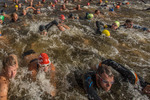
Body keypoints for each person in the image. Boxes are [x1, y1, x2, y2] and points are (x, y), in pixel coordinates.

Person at [82, 59, 150, 100]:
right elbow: (111, 62)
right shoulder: (133, 79)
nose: (148, 92)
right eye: (149, 89)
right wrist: (98, 66)